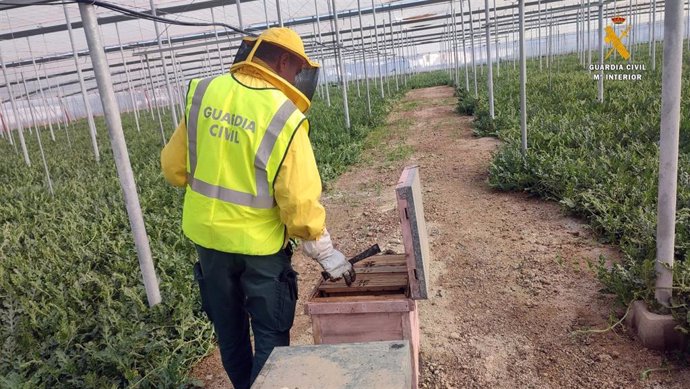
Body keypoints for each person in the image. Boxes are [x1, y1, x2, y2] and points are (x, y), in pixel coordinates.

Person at [160, 27, 356, 389]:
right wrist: (325, 253)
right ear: (283, 61)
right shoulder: (284, 116)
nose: (297, 79)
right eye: (297, 70)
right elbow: (298, 203)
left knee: (229, 329)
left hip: (209, 244)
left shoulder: (205, 92)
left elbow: (173, 169)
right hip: (260, 250)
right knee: (270, 331)